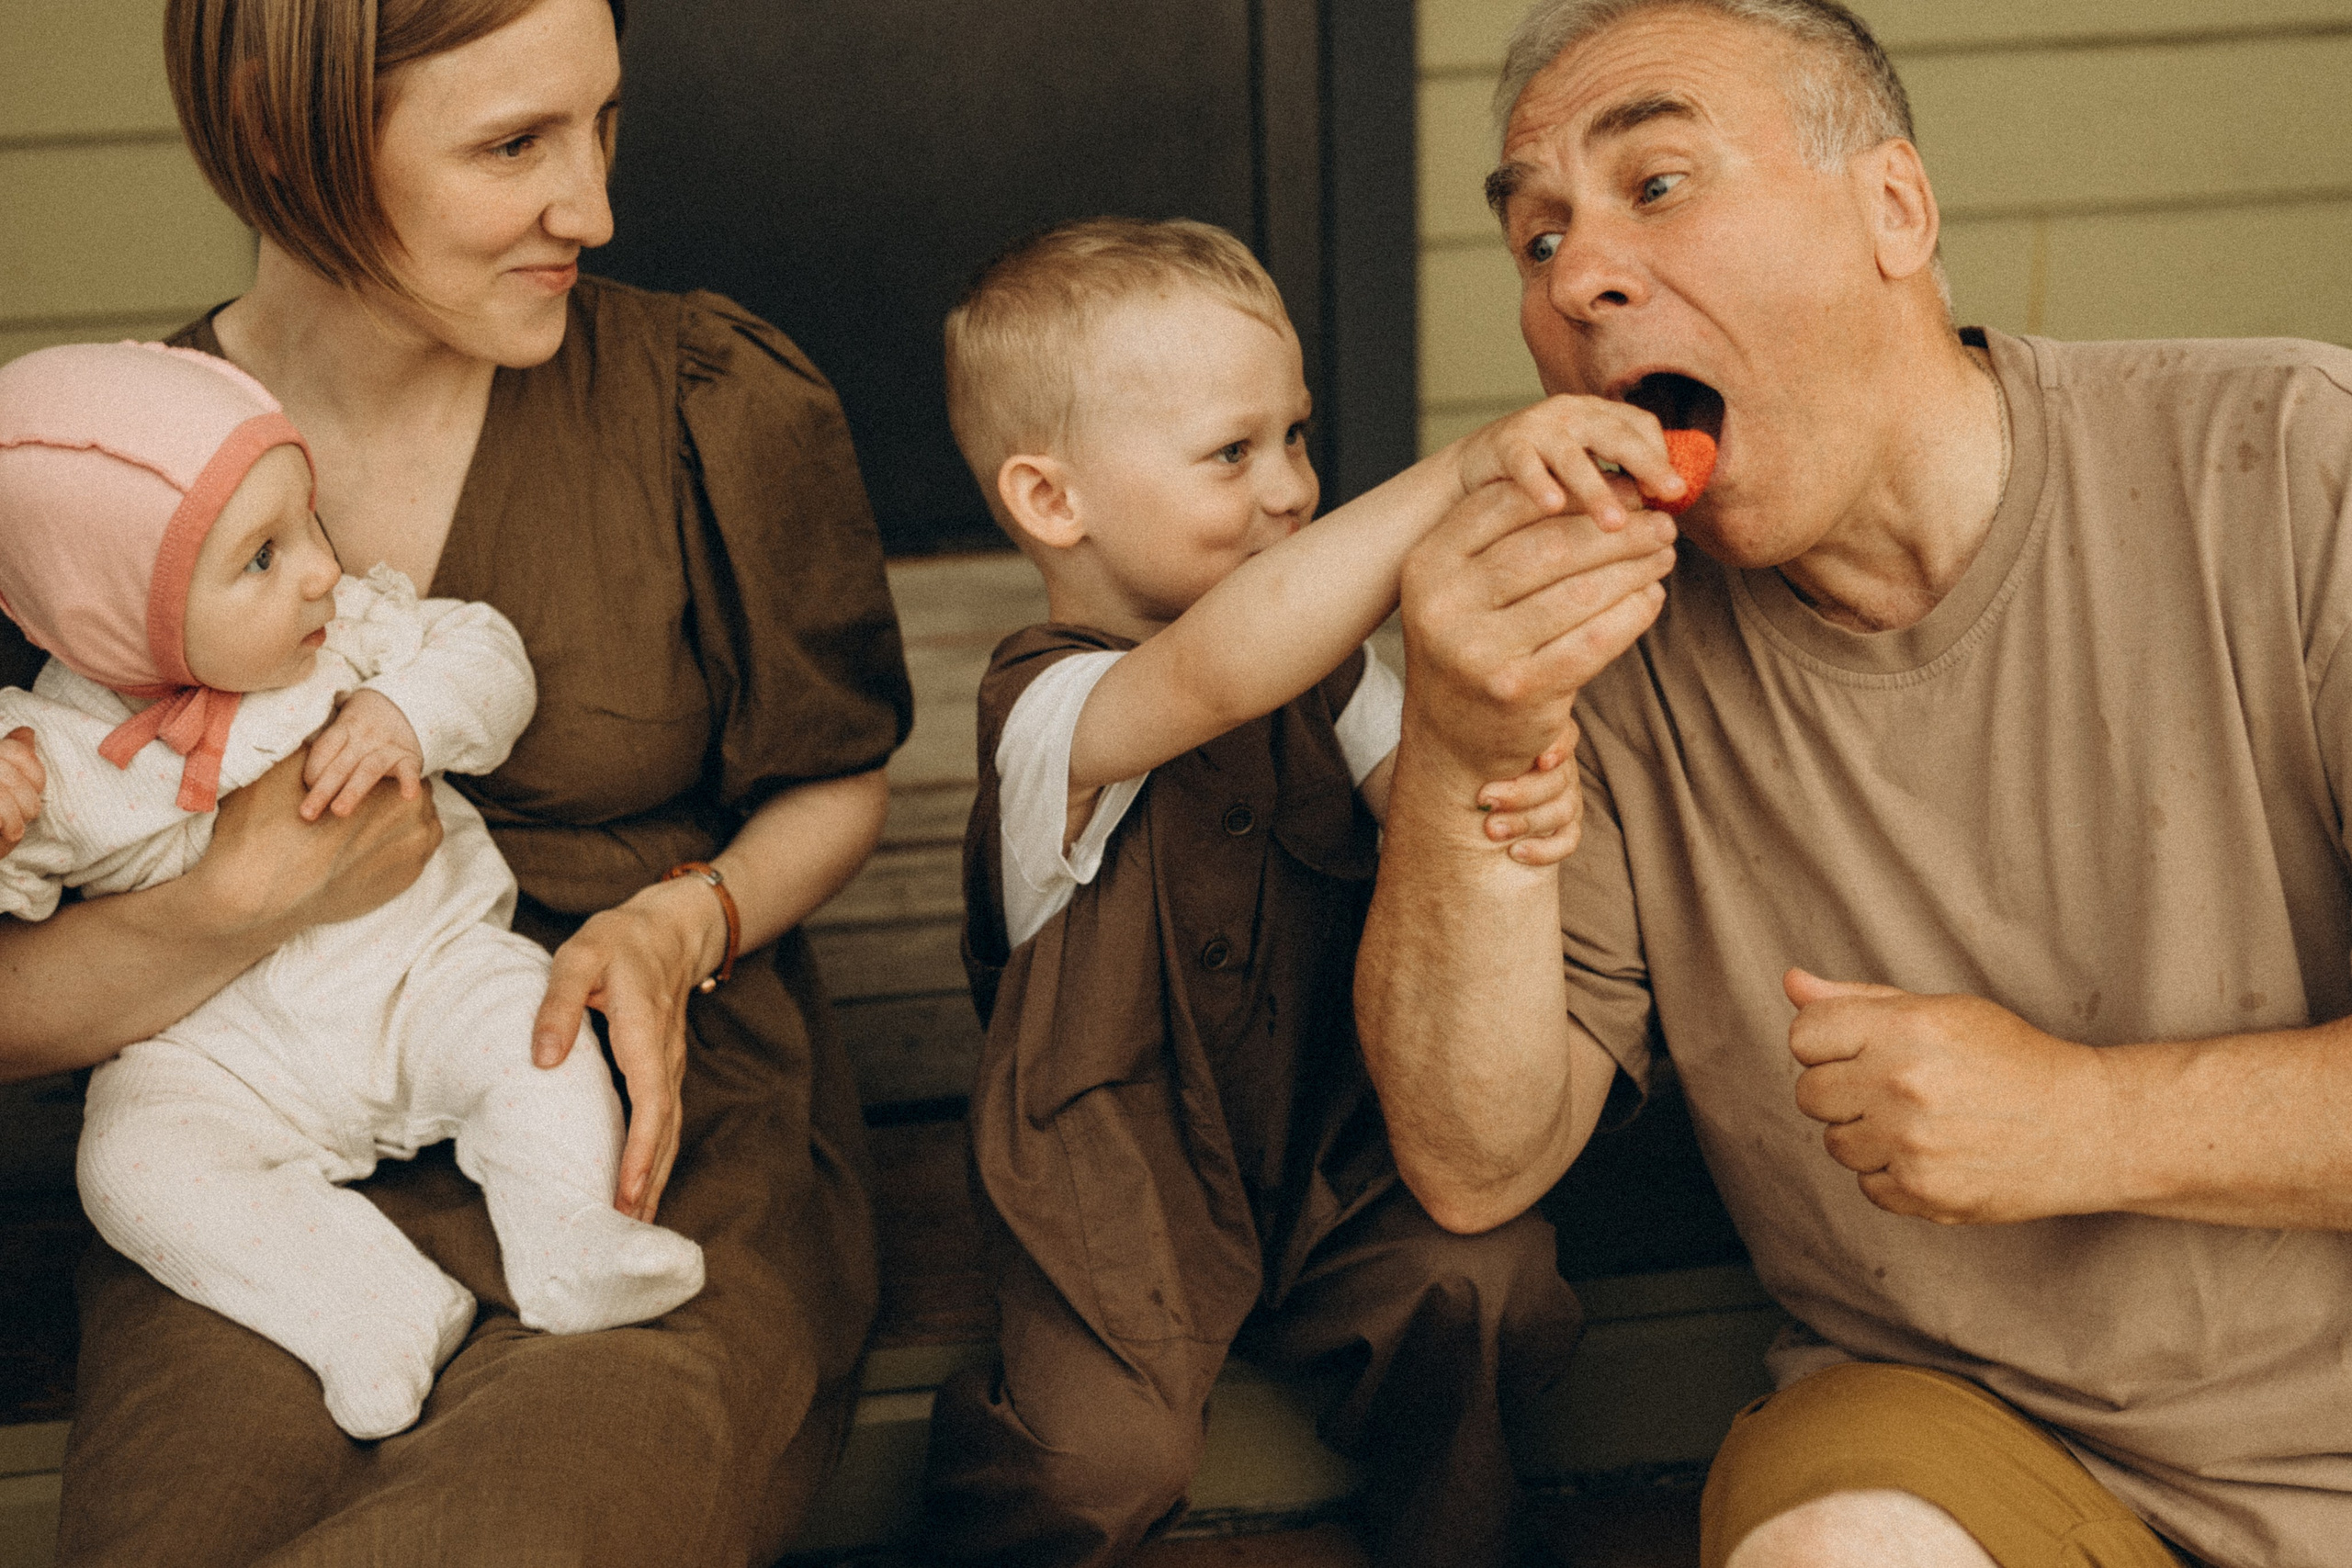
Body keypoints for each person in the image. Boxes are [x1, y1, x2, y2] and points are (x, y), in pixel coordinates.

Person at [1352, 3, 2352, 1567]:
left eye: (1656, 185)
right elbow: (1478, 1156)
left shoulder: (2295, 465)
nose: (1576, 275)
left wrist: (2084, 1119)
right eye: (1536, 237)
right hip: (1968, 1435)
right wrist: (1464, 747)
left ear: (1895, 209)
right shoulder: (1604, 633)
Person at [0, 0, 910, 1561]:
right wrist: (238, 901)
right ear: (287, 132)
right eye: (513, 146)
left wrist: (686, 921)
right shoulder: (92, 483)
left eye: (602, 124)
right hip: (252, 1155)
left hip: (632, 1102)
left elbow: (839, 782)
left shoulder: (705, 398)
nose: (593, 207)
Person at [923, 217, 1688, 1567]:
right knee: (1098, 1456)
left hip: (1335, 1149)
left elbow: (1437, 802)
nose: (1288, 489)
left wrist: (1518, 795)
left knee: (1483, 1284)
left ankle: (1457, 1539)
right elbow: (1219, 669)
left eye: (1297, 436)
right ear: (1051, 501)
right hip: (1123, 1193)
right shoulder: (1047, 712)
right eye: (1233, 453)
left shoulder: (1336, 682)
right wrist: (1458, 472)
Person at [0, 341, 706, 1441]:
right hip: (217, 1056)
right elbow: (22, 892)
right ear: (113, 615)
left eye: (310, 525)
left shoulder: (354, 637)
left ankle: (570, 1239)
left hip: (428, 975)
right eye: (261, 558)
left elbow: (487, 652)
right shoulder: (48, 751)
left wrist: (411, 712)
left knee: (536, 1039)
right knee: (130, 1166)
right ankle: (367, 1306)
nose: (321, 571)